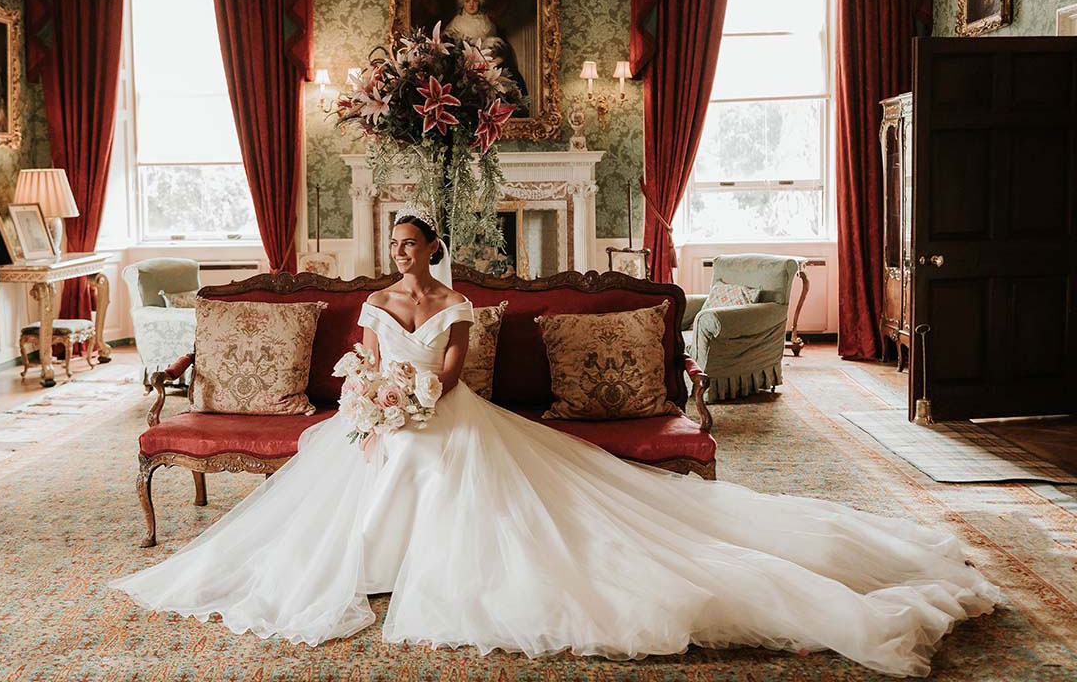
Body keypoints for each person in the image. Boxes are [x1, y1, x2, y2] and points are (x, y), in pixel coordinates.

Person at [111, 204, 998, 677]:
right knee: (359, 464)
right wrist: (376, 399)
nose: (405, 256)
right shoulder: (380, 305)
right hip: (384, 414)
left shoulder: (456, 308)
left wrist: (415, 398)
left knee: (439, 457)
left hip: (445, 414)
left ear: (436, 250)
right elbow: (363, 362)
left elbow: (451, 374)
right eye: (396, 245)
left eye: (416, 245)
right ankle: (371, 563)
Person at [444, 0, 528, 111]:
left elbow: (500, 50)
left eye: (475, 1)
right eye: (468, 1)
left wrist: (495, 60)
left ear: (480, 2)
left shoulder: (488, 22)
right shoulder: (456, 24)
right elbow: (452, 51)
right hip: (467, 68)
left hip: (490, 65)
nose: (471, 5)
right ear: (462, 2)